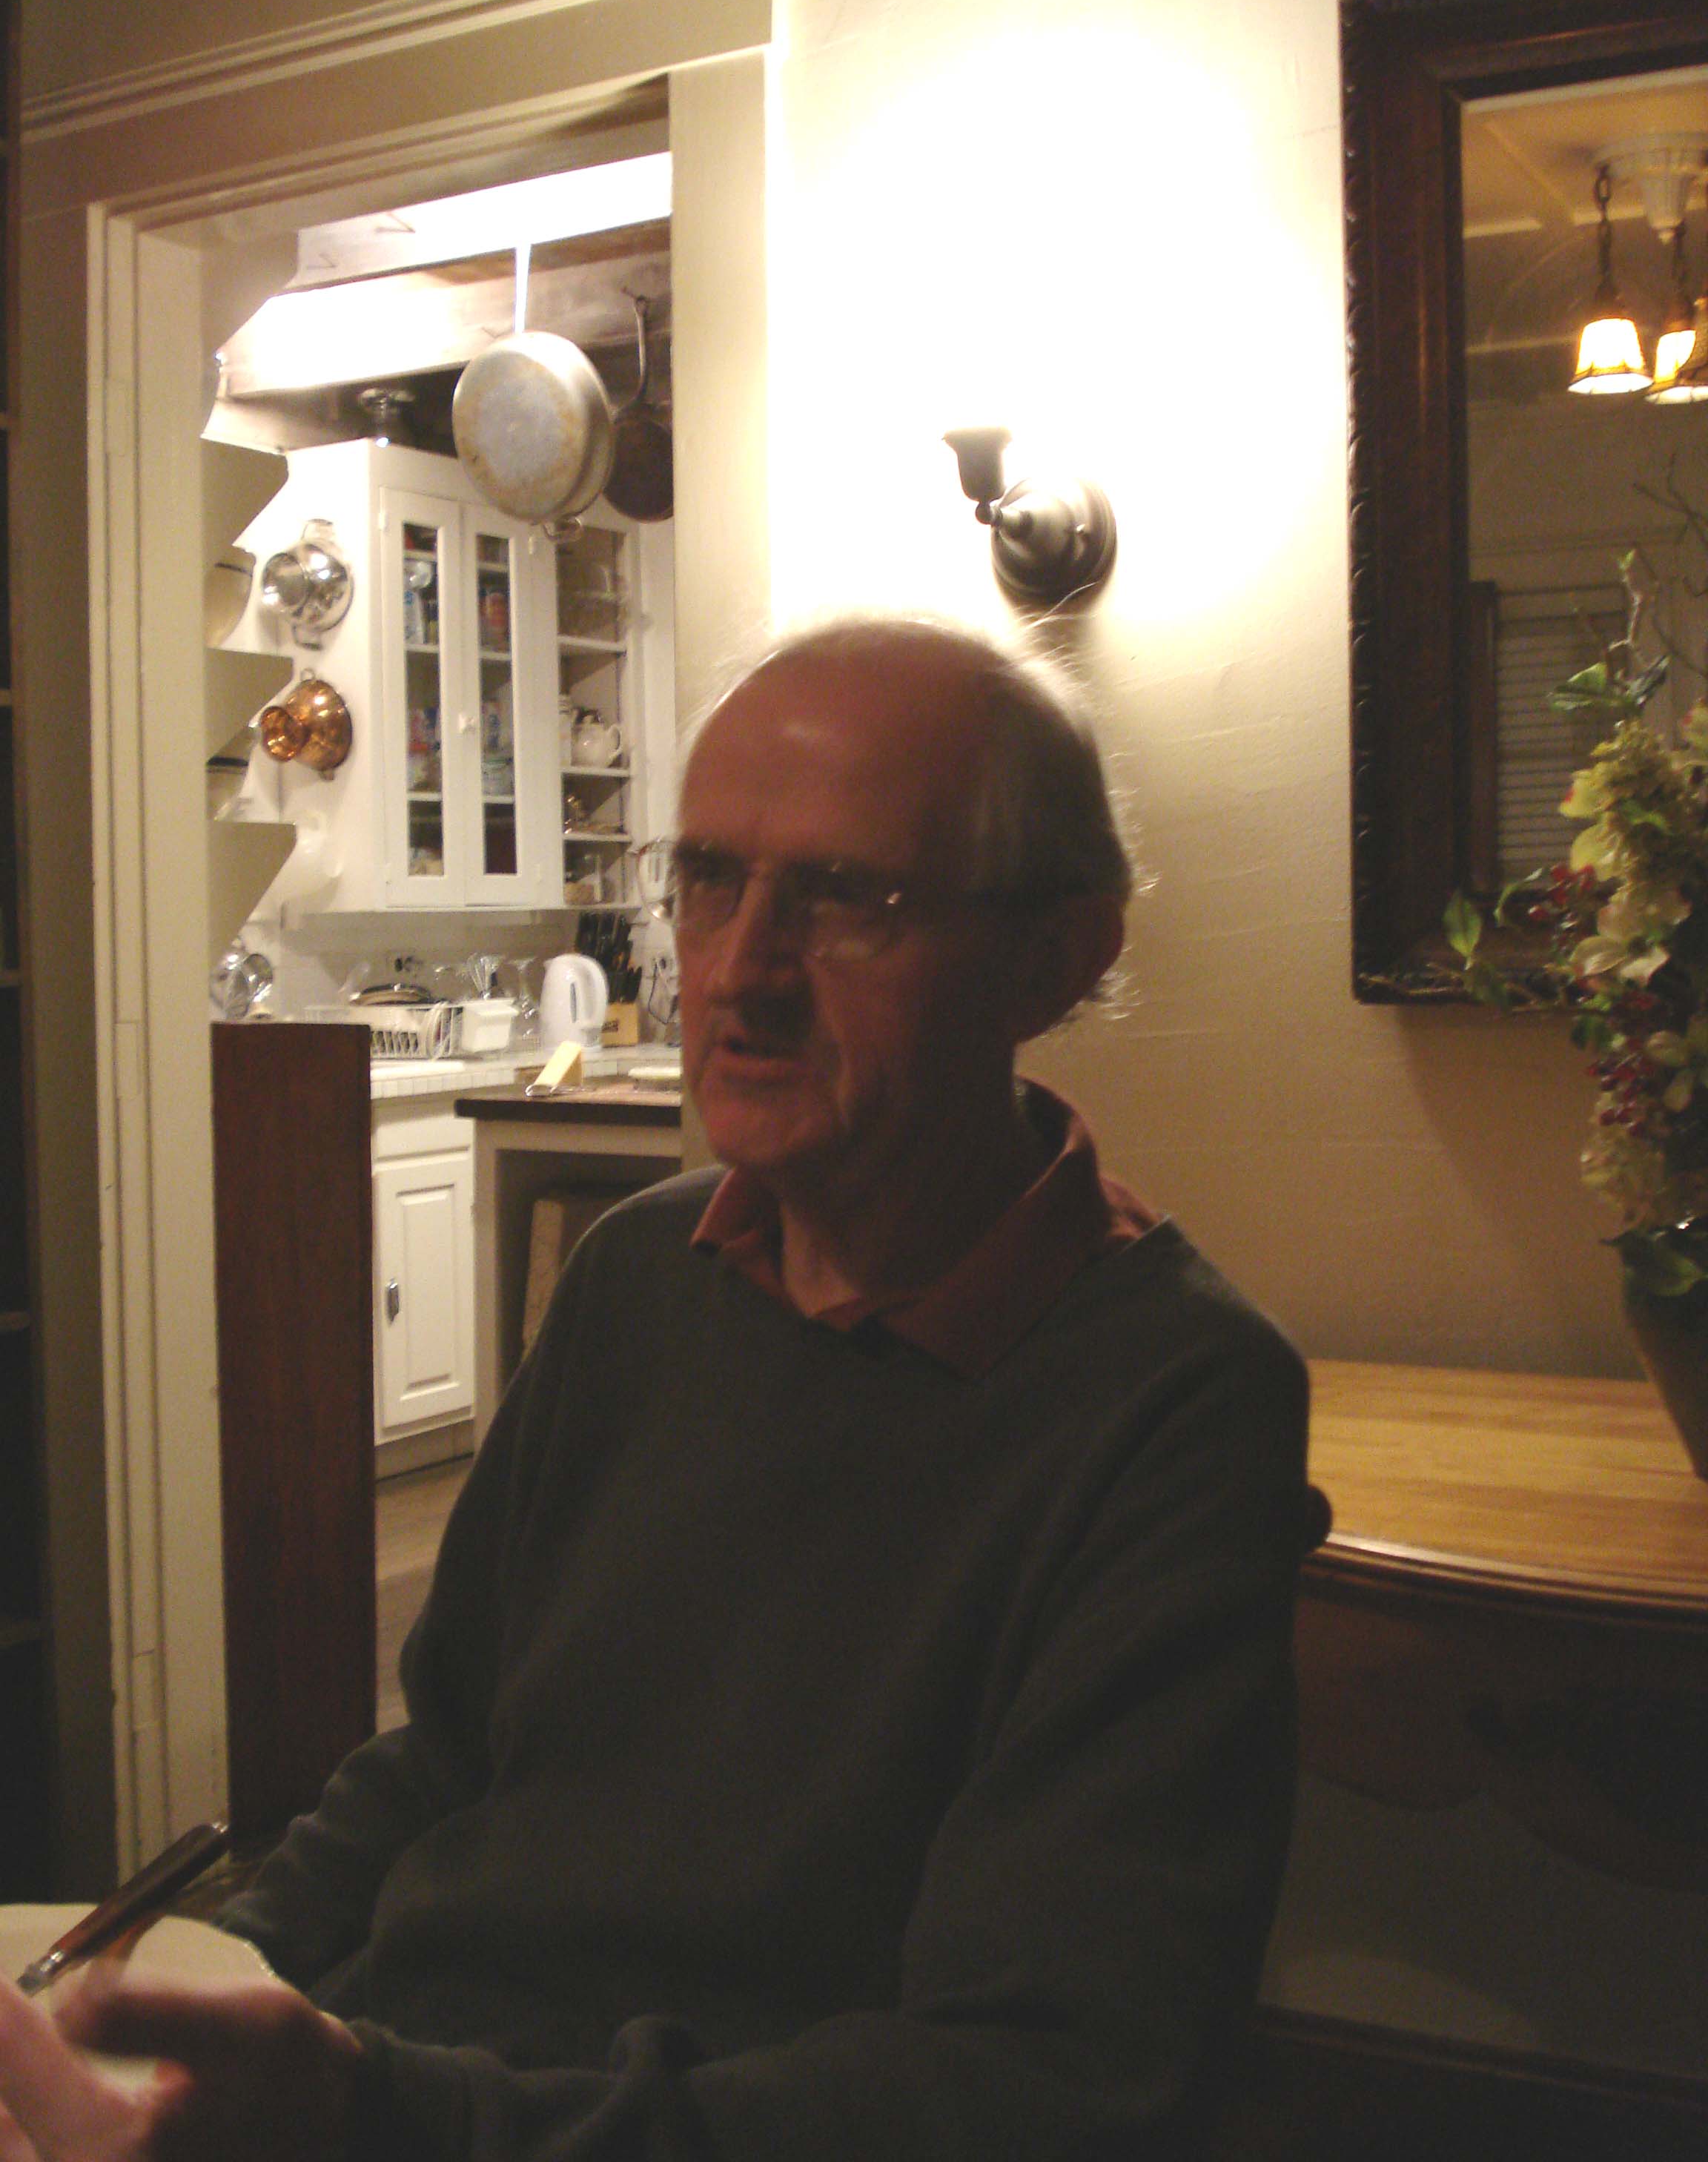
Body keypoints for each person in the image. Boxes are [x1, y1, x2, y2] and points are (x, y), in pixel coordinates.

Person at [0, 613, 1310, 2162]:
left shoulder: (1173, 1403)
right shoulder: (637, 1274)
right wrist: (204, 1989)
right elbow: (443, 1757)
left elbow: (1037, 2085)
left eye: (849, 898)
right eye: (707, 880)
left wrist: (373, 2112)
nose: (739, 973)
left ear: (1057, 956)